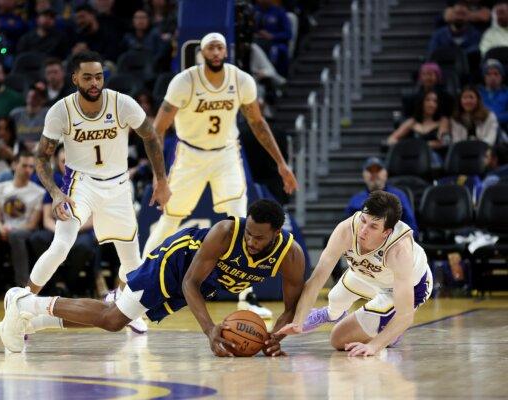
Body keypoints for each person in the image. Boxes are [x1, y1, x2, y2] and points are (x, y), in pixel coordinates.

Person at [0, 199, 305, 356]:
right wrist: (209, 329)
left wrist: (272, 339)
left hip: (203, 283)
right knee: (114, 319)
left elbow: (290, 307)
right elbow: (189, 283)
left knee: (115, 314)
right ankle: (25, 300)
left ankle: (32, 318)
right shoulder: (226, 232)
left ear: (277, 233)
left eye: (259, 238)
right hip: (175, 263)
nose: (251, 241)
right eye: (249, 233)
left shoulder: (291, 256)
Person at [6, 51, 170, 333]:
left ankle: (121, 300)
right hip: (79, 184)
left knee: (132, 260)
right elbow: (42, 157)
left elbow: (150, 135)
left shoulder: (122, 103)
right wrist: (57, 193)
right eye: (88, 77)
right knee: (60, 247)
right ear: (75, 79)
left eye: (99, 76)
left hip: (118, 185)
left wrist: (161, 180)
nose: (95, 82)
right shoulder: (61, 110)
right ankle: (20, 302)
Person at [141, 33, 298, 318]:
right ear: (202, 53)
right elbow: (157, 129)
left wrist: (281, 164)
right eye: (210, 48)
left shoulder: (241, 80)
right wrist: (159, 177)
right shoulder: (184, 82)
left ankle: (246, 296)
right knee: (170, 219)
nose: (216, 52)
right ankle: (136, 283)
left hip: (226, 153)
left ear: (226, 52)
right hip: (189, 155)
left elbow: (258, 123)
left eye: (220, 47)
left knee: (239, 219)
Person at [277, 191, 433, 357]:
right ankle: (330, 315)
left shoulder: (399, 250)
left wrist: (374, 346)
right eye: (363, 220)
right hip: (367, 274)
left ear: (386, 232)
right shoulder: (347, 229)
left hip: (402, 288)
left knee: (337, 340)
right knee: (335, 298)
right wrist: (298, 321)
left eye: (373, 227)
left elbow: (406, 315)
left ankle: (389, 333)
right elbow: (316, 280)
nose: (363, 230)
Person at [29, 144, 105, 298]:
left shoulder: (90, 182)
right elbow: (46, 218)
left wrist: (72, 229)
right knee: (38, 238)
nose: (68, 165)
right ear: (57, 163)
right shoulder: (54, 184)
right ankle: (56, 283)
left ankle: (70, 284)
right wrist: (59, 231)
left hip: (82, 230)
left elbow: (95, 218)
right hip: (56, 228)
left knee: (82, 246)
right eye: (64, 161)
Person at [0, 151, 44, 300]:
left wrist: (11, 230)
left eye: (31, 167)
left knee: (16, 235)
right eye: (24, 165)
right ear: (14, 165)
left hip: (25, 230)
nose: (28, 170)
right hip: (3, 228)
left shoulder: (39, 192)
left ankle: (23, 288)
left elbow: (32, 224)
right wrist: (1, 228)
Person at [346, 157, 419, 237]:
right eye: (370, 170)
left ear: (386, 173)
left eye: (378, 170)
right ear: (364, 175)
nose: (374, 174)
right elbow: (347, 229)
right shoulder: (355, 200)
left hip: (394, 243)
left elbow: (411, 227)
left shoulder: (399, 196)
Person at [9, 82, 49, 150]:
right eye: (32, 90)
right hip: (19, 147)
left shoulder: (48, 113)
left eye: (38, 93)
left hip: (41, 147)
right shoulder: (15, 114)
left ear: (43, 100)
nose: (33, 93)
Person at [0, 116, 24, 182]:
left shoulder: (19, 145)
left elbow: (25, 166)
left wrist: (11, 156)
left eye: (6, 129)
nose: (2, 133)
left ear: (11, 131)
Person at [478, 59, 508, 127]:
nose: (493, 77)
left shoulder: (506, 93)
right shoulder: (477, 93)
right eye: (488, 74)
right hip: (480, 126)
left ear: (501, 77)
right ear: (484, 77)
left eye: (496, 74)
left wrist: (492, 119)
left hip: (502, 127)